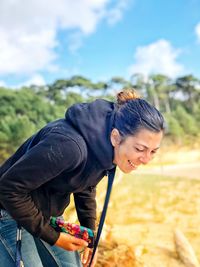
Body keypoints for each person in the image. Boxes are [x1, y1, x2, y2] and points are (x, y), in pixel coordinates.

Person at [0, 89, 164, 267]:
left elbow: (86, 186)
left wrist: (89, 236)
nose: (146, 159)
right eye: (140, 149)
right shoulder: (69, 146)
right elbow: (8, 189)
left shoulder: (106, 147)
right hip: (7, 211)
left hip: (45, 215)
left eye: (153, 151)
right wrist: (53, 237)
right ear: (116, 137)